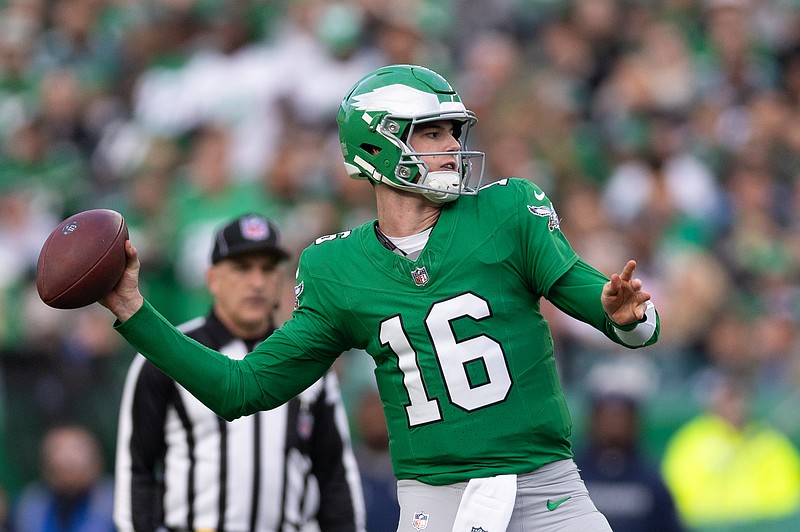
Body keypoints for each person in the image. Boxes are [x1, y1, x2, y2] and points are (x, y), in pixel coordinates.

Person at [100, 64, 660, 532]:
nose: (451, 148)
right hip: (432, 504)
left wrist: (627, 319)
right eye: (431, 133)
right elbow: (240, 387)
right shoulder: (335, 268)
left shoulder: (509, 211)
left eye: (453, 133)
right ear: (376, 142)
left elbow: (610, 308)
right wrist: (132, 311)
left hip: (547, 490)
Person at [113, 213, 365, 532]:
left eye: (268, 268)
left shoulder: (310, 360)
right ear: (213, 279)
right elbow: (136, 469)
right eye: (242, 268)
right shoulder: (167, 355)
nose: (257, 283)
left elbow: (335, 476)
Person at [661, 372, 800, 529]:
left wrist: (750, 518)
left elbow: (788, 497)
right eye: (729, 399)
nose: (736, 406)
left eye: (740, 398)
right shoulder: (689, 443)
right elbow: (675, 496)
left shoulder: (771, 445)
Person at [574, 389, 684, 532]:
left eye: (620, 417)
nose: (614, 424)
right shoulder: (574, 473)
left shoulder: (650, 478)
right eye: (607, 416)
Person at [12, 424, 115, 532]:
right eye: (58, 450)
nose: (66, 458)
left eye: (76, 448)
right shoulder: (31, 503)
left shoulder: (116, 500)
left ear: (96, 460)